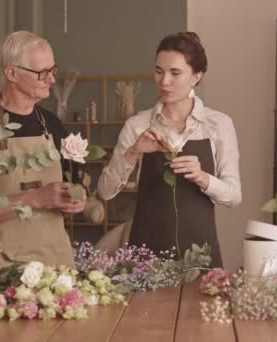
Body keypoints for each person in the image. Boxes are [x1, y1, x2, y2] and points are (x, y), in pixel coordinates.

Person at [98, 32, 241, 267]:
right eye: (158, 71)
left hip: (201, 254)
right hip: (146, 256)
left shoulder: (218, 125)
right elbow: (105, 192)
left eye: (175, 73)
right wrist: (132, 153)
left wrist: (204, 178)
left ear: (196, 76)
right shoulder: (137, 125)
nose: (164, 82)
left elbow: (234, 196)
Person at [0, 31, 85, 271]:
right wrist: (36, 198)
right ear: (11, 73)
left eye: (53, 70)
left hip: (55, 267)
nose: (51, 80)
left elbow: (73, 187)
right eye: (42, 73)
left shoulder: (53, 125)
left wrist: (73, 201)